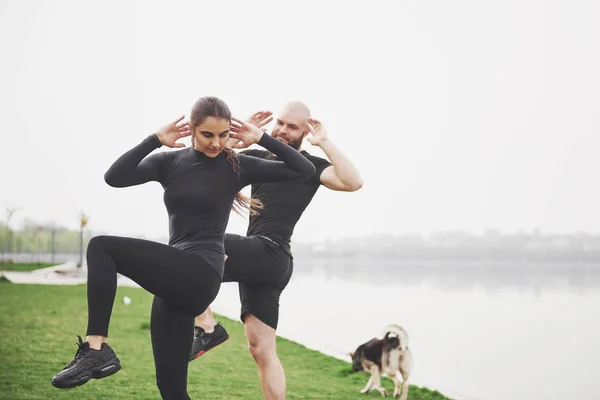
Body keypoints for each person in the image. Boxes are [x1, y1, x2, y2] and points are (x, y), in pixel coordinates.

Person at [50, 96, 316, 400]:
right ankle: (97, 353)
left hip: (202, 273)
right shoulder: (168, 162)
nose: (216, 143)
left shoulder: (236, 166)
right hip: (174, 282)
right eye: (207, 134)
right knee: (171, 390)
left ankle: (95, 348)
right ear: (191, 130)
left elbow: (302, 169)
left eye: (224, 134)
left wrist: (262, 137)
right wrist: (154, 140)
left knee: (101, 247)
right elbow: (115, 177)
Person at [189, 101, 363, 400]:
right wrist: (236, 132)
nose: (283, 129)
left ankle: (207, 325)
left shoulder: (309, 167)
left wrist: (325, 143)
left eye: (292, 126)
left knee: (194, 244)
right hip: (264, 262)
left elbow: (353, 182)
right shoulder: (256, 158)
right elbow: (205, 157)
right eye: (280, 122)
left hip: (270, 252)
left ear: (305, 130)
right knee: (261, 349)